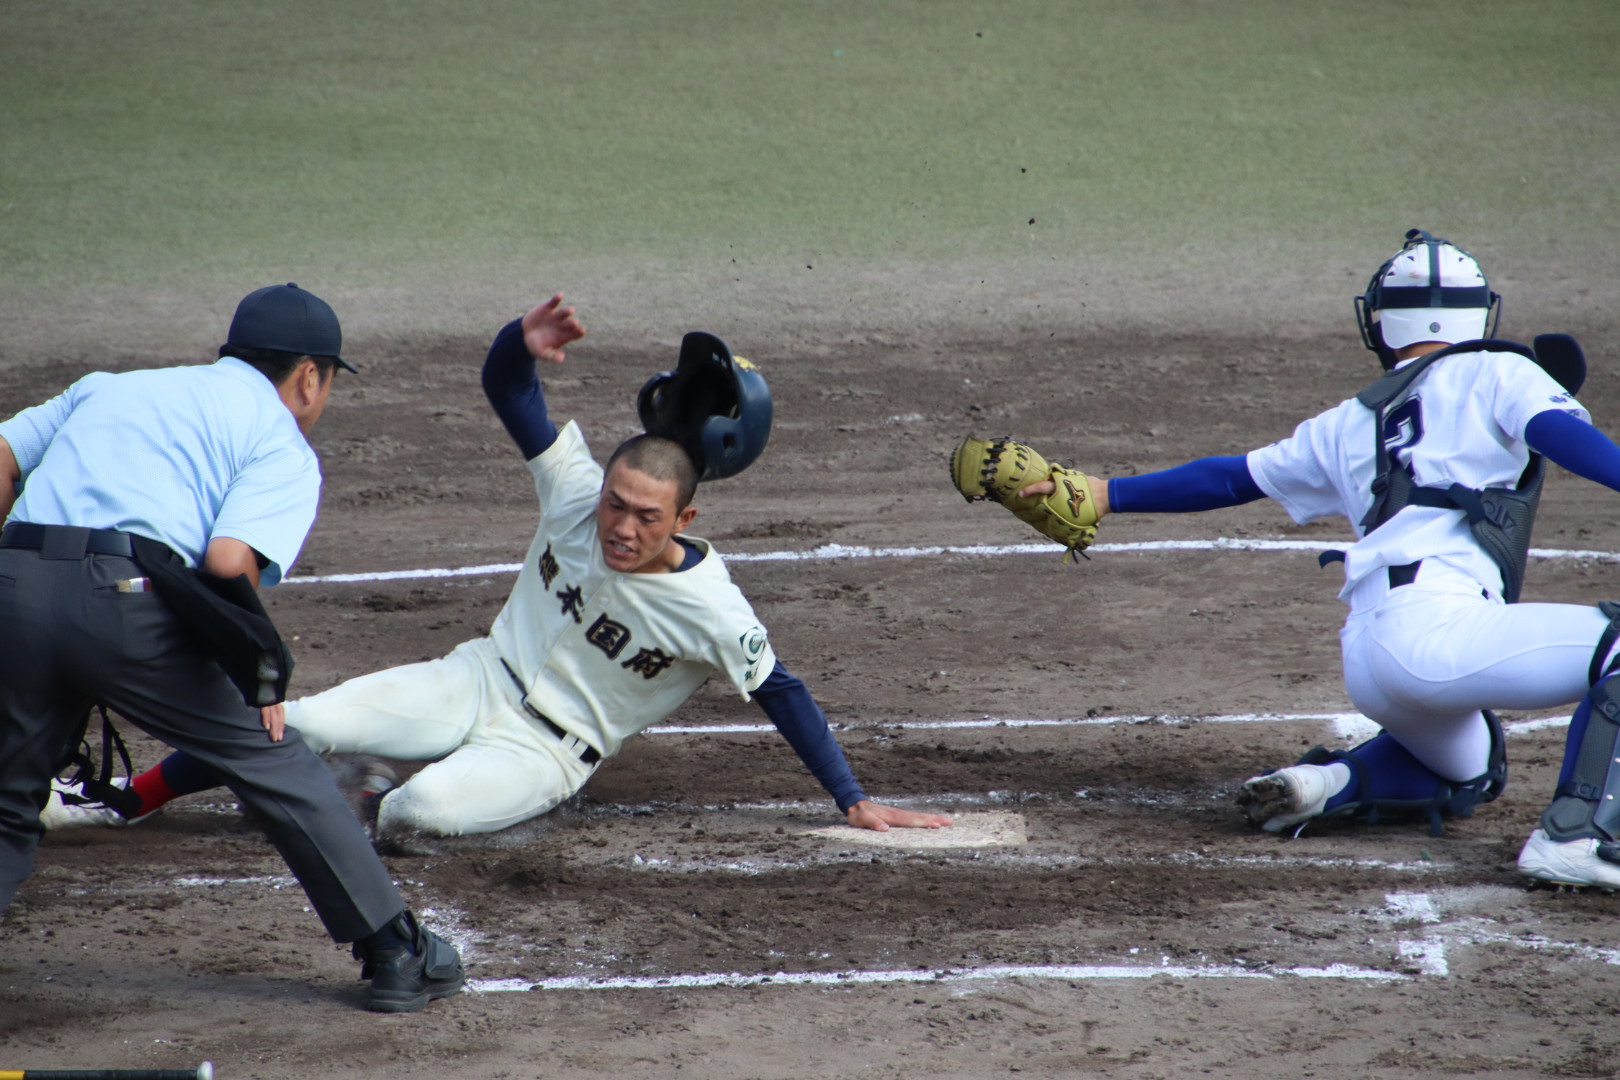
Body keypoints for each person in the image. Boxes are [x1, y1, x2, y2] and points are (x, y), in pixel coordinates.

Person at [51, 293, 951, 843]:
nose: (620, 527)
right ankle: (123, 800)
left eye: (645, 517)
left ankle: (391, 779)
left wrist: (853, 799)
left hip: (548, 748)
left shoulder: (710, 605)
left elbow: (782, 691)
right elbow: (510, 391)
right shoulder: (574, 494)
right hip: (474, 679)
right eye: (614, 505)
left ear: (686, 517)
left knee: (415, 817)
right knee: (304, 721)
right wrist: (517, 341)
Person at [964, 229, 1620, 889]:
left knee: (1471, 768)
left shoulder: (1348, 421)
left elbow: (1230, 478)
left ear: (1381, 323)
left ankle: (1329, 782)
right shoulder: (1501, 369)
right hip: (1441, 635)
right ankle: (1578, 836)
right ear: (1482, 315)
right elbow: (1561, 436)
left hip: (1372, 660)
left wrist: (1108, 495)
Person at [0, 283, 464, 1013]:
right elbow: (225, 562)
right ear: (310, 376)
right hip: (123, 603)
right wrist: (259, 676)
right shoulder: (280, 440)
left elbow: (2, 450)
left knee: (5, 802)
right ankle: (396, 951)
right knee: (269, 758)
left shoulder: (110, 387)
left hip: (13, 581)